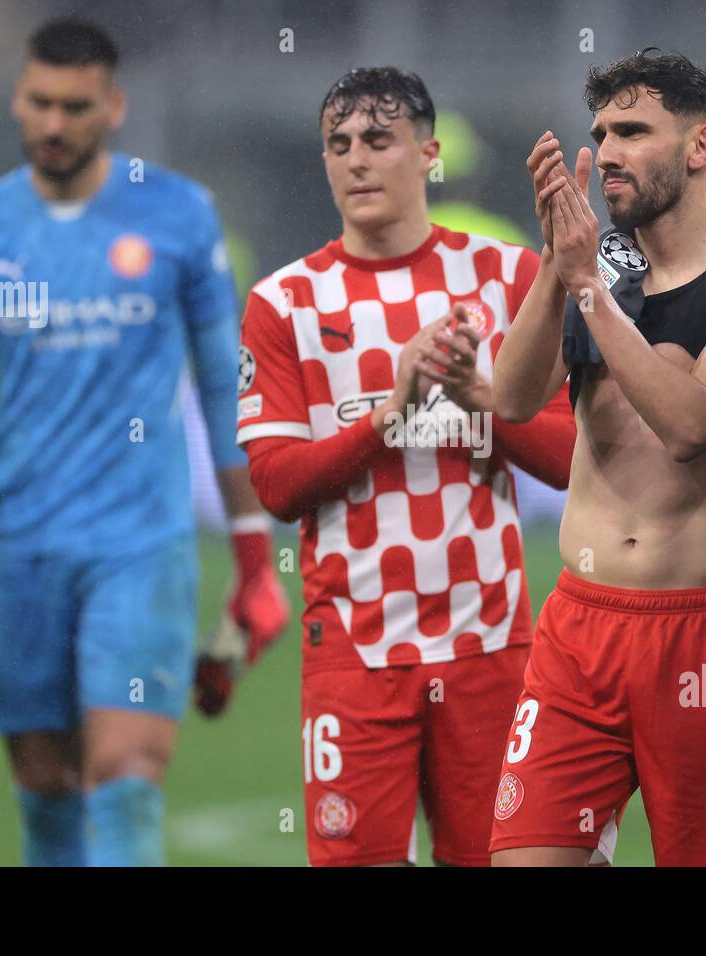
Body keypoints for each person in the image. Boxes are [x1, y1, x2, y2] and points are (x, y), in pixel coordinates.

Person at [0, 17, 288, 866]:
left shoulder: (178, 215)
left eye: (75, 106)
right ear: (19, 99)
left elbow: (220, 392)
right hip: (15, 548)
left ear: (114, 107)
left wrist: (254, 558)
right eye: (39, 103)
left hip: (142, 544)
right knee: (46, 792)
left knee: (126, 774)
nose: (54, 124)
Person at [236, 66, 575, 866]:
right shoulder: (283, 303)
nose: (356, 160)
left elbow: (569, 461)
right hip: (354, 653)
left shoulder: (507, 276)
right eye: (339, 144)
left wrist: (477, 396)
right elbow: (278, 485)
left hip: (488, 644)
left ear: (428, 154)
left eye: (379, 141)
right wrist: (394, 414)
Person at [491, 49, 706, 866]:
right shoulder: (597, 271)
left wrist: (589, 284)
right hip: (580, 627)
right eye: (601, 133)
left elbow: (692, 426)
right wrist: (561, 265)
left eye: (633, 130)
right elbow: (514, 399)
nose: (610, 152)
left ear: (702, 147)